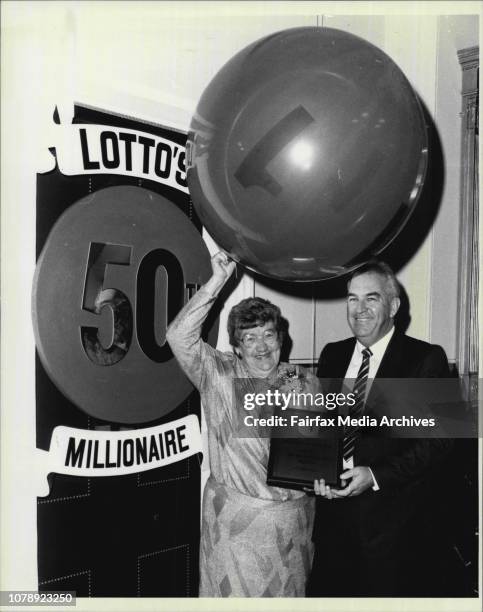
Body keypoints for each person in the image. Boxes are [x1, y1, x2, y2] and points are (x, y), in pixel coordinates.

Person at [166, 251, 315, 597]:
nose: (261, 347)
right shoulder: (218, 374)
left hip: (293, 532)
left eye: (268, 335)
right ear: (236, 347)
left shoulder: (303, 381)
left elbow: (317, 453)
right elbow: (179, 337)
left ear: (281, 339)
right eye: (249, 338)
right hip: (236, 532)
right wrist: (217, 282)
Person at [307, 260, 452, 597]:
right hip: (333, 525)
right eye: (352, 299)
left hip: (393, 533)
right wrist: (316, 473)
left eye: (371, 299)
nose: (359, 309)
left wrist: (373, 475)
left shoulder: (426, 358)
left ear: (393, 306)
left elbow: (440, 442)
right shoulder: (332, 354)